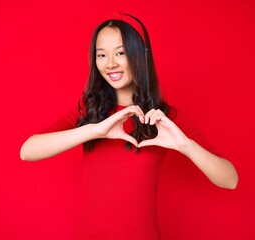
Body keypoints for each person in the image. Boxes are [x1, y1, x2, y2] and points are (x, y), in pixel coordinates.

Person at [20, 12, 238, 240]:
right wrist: (96, 129)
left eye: (120, 53)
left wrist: (185, 145)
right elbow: (28, 151)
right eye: (101, 55)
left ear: (138, 57)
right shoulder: (89, 109)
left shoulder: (163, 117)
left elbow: (230, 180)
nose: (110, 63)